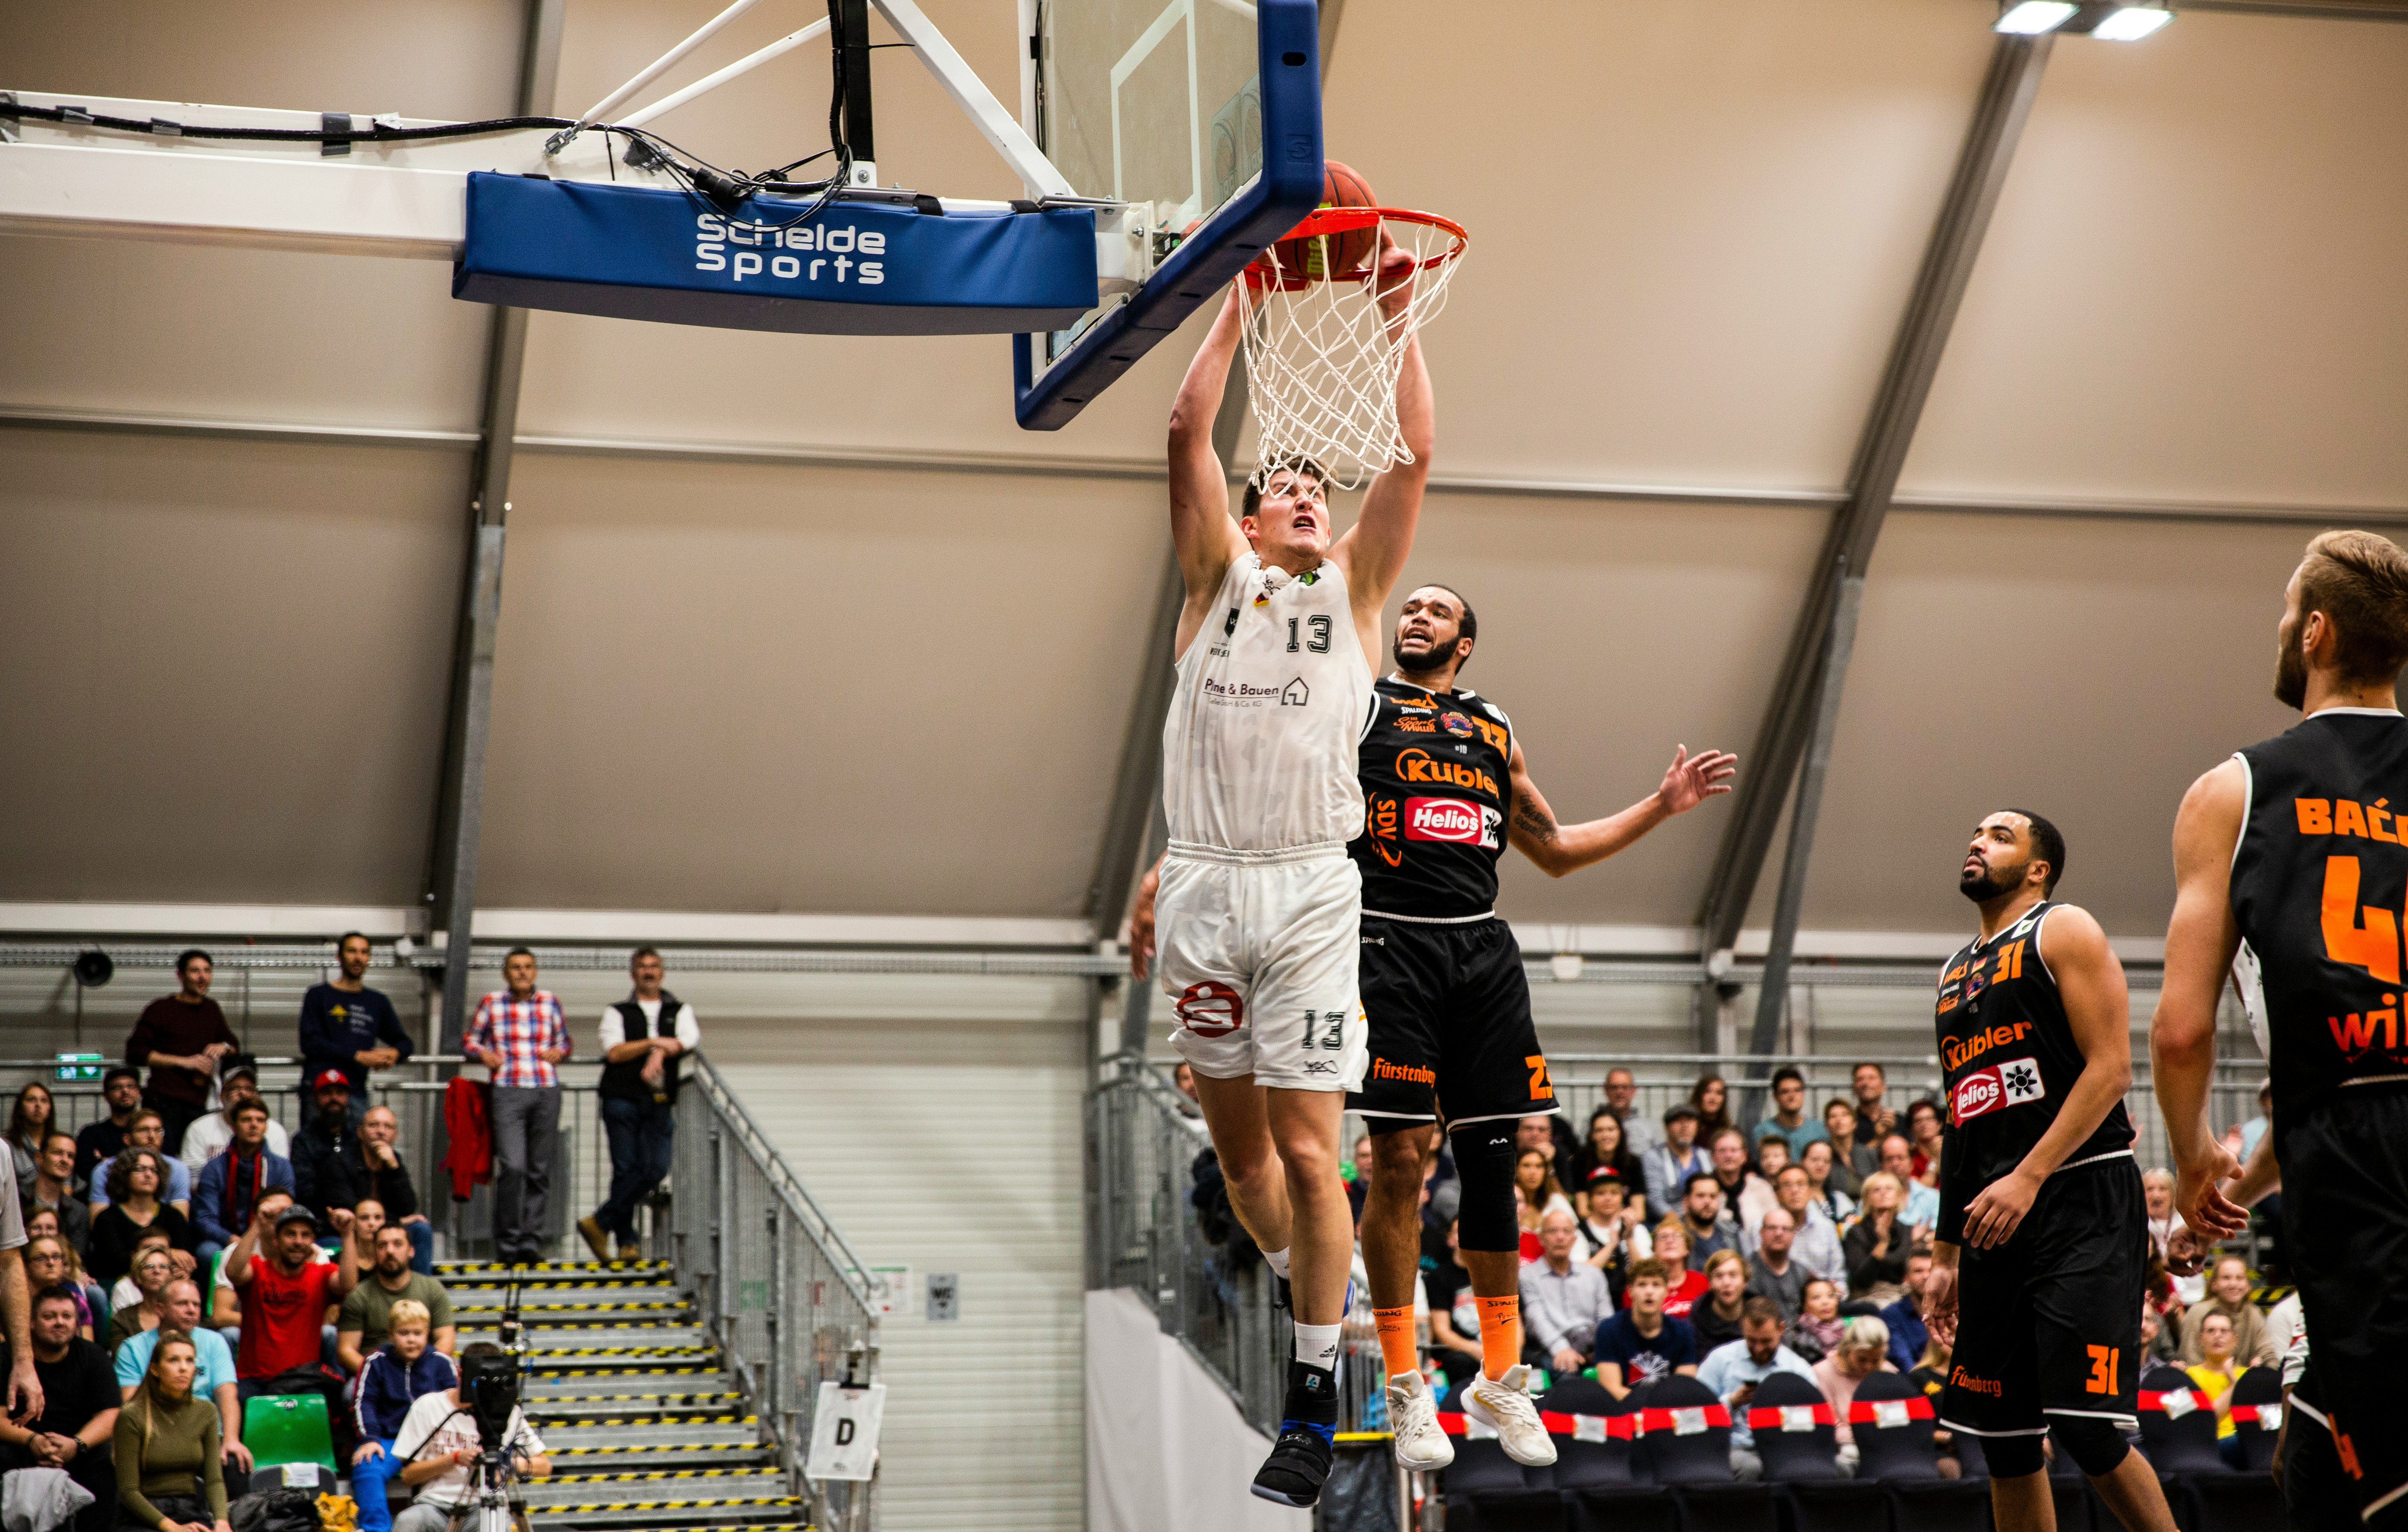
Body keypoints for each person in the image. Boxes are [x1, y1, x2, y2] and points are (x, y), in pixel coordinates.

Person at [1137, 240, 1438, 1510]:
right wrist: (1239, 300)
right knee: (1251, 1171)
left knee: (1319, 1164)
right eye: (1288, 484)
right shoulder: (1217, 582)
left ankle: (1313, 1397)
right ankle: (1299, 1274)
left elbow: (1415, 456)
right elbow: (1184, 423)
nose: (1311, 492)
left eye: (1322, 483)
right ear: (1251, 515)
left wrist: (1390, 314)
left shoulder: (1360, 591)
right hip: (1206, 890)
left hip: (1316, 889)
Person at [2152, 538, 2408, 1529]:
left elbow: (2179, 1033)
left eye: (2282, 609)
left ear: (2314, 631)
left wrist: (2187, 1161)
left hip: (2351, 1147)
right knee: (2309, 1453)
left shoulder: (2235, 789)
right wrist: (2237, 1184)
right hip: (2332, 1124)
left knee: (2375, 1463)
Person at [1920, 811, 2177, 1532]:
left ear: (2038, 868)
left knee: (2087, 1428)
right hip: (1995, 1215)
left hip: (2080, 1195)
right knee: (2004, 1444)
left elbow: (2112, 1070)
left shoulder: (2062, 928)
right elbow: (1962, 1118)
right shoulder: (1952, 971)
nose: (1976, 841)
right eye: (1972, 832)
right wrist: (1944, 1255)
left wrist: (2029, 1175)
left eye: (1999, 835)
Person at [581, 947, 699, 1263]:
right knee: (625, 1169)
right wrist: (654, 1043)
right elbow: (615, 1053)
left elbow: (687, 1040)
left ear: (662, 973)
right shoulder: (617, 1011)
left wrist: (660, 1052)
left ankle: (600, 1221)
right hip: (621, 1098)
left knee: (656, 1168)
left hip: (659, 1101)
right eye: (642, 967)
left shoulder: (680, 1010)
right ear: (633, 975)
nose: (649, 972)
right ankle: (627, 1243)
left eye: (654, 966)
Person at [225, 1204, 358, 1456]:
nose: (298, 1241)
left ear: (313, 1242)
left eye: (305, 1235)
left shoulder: (321, 1274)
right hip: (254, 1380)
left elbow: (349, 1283)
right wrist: (257, 1225)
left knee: (317, 1415)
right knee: (234, 1407)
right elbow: (233, 1271)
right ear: (275, 1240)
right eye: (290, 1234)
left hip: (303, 1380)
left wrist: (348, 1234)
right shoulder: (257, 1269)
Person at [465, 948, 570, 1267]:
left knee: (540, 1171)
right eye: (515, 968)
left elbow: (564, 1041)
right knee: (512, 1167)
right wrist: (482, 1054)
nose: (522, 973)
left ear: (535, 972)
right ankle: (507, 1242)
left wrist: (560, 1052)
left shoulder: (551, 1001)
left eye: (527, 967)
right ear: (506, 974)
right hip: (508, 1089)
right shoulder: (492, 1002)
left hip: (545, 1089)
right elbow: (470, 1041)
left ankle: (530, 1242)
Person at [388, 1342, 550, 1532]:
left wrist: (504, 1465)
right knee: (409, 1521)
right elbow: (408, 1477)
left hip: (483, 1506)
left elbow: (544, 1466)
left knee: (499, 1527)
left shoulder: (508, 1412)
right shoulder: (428, 1406)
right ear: (459, 1373)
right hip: (435, 1505)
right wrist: (454, 1459)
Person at [0, 1284, 119, 1532]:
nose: (60, 1322)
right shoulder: (7, 1356)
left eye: (67, 1317)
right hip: (21, 1445)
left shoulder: (94, 1356)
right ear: (31, 1323)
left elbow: (110, 1415)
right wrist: (32, 1441)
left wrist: (77, 1444)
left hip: (76, 1447)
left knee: (105, 1458)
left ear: (77, 1323)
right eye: (49, 1316)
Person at [113, 1283, 245, 1480]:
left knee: (234, 1463)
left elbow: (227, 1396)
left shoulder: (215, 1342)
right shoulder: (133, 1348)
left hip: (204, 1434)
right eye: (183, 1304)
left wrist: (231, 1438)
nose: (191, 1310)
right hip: (155, 1434)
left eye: (196, 1305)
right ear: (160, 1309)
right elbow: (131, 1403)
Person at [349, 1299, 456, 1532]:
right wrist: (369, 1439)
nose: (411, 1339)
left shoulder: (441, 1362)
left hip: (432, 1442)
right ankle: (376, 1529)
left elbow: (456, 1404)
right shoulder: (375, 1362)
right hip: (390, 1440)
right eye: (403, 1333)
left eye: (418, 1333)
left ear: (427, 1334)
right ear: (390, 1334)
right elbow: (364, 1402)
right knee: (368, 1467)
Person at [111, 1332, 229, 1532]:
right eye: (174, 1360)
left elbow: (214, 1480)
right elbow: (129, 1492)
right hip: (144, 1516)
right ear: (155, 1370)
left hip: (190, 1509)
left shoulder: (206, 1411)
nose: (183, 1368)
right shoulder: (132, 1415)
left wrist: (222, 1522)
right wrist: (173, 1528)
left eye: (190, 1361)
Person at [125, 953, 238, 1154]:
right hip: (164, 1102)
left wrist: (225, 1047)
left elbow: (234, 1044)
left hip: (198, 1103)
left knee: (194, 1162)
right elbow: (135, 1052)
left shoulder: (211, 1009)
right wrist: (185, 1062)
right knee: (162, 1161)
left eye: (207, 970)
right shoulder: (161, 1009)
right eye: (195, 971)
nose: (202, 977)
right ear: (180, 975)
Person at [297, 933, 412, 1128]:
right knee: (315, 1151)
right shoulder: (318, 995)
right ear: (339, 956)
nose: (358, 957)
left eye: (364, 952)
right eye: (352, 951)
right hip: (320, 1092)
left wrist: (394, 1053)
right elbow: (310, 1042)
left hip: (356, 1092)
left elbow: (405, 1042)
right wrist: (358, 1056)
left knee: (358, 1154)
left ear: (369, 959)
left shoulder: (377, 1002)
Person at [1696, 1297, 1817, 1480]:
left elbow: (1815, 1417)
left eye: (1766, 1341)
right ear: (1742, 1329)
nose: (1759, 1349)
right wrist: (1732, 1401)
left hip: (1784, 1445)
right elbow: (1696, 1413)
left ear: (1781, 1330)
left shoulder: (1797, 1368)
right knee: (1750, 1468)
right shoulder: (1720, 1360)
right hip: (1734, 1445)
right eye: (1752, 1341)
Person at [318, 1107, 432, 1275]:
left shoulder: (393, 1160)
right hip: (346, 1233)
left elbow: (408, 1207)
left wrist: (395, 1168)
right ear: (360, 1132)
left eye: (388, 1127)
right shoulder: (339, 1162)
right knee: (331, 1244)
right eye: (374, 1126)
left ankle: (419, 1295)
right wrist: (398, 1221)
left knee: (421, 1230)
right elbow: (355, 1211)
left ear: (395, 1135)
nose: (381, 1132)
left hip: (383, 1230)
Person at [336, 1225, 455, 1373]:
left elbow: (446, 1339)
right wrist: (379, 1374)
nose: (390, 1251)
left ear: (411, 1251)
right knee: (349, 1393)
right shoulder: (359, 1295)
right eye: (382, 1245)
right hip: (375, 1375)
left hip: (424, 1371)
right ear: (375, 1252)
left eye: (398, 1244)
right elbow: (345, 1351)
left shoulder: (433, 1289)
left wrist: (426, 1370)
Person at [188, 1104, 291, 1262]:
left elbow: (285, 1211)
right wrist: (232, 1240)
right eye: (246, 1120)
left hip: (268, 1237)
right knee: (207, 1252)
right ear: (234, 1127)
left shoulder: (281, 1167)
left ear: (265, 1127)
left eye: (260, 1120)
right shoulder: (215, 1168)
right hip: (226, 1239)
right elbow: (205, 1219)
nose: (254, 1125)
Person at [1520, 1210, 1613, 1374]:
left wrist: (1602, 1347)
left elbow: (1606, 1319)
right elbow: (1536, 1319)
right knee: (1564, 1372)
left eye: (1567, 1231)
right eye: (1553, 1231)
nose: (1560, 1237)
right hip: (1549, 1349)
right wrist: (1561, 1348)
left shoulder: (1594, 1275)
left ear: (1575, 1239)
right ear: (1541, 1239)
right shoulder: (1527, 1276)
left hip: (1592, 1345)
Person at [1593, 1259, 1697, 1399]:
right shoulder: (1609, 1330)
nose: (1649, 1292)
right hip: (1624, 1412)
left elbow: (1684, 1388)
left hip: (1669, 1412)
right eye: (1642, 1285)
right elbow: (1612, 1389)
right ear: (1630, 1292)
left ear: (1667, 1291)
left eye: (1656, 1285)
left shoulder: (1683, 1331)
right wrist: (1652, 1407)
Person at [86, 1154, 196, 1285]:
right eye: (140, 1169)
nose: (148, 1175)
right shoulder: (107, 1218)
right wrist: (168, 1252)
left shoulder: (173, 1216)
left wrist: (182, 1269)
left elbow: (185, 1257)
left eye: (154, 1170)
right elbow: (116, 1261)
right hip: (119, 1284)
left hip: (165, 1283)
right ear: (124, 1175)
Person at [175, 1068, 288, 1177]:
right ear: (221, 1096)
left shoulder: (275, 1130)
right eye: (234, 1088)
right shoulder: (199, 1128)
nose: (243, 1093)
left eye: (249, 1089)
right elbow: (193, 1179)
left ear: (256, 1096)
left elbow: (278, 1176)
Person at [1811, 1315, 1897, 1454]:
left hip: (1887, 1444)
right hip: (1842, 1447)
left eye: (1875, 1361)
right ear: (1848, 1349)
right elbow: (1826, 1428)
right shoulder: (1822, 1373)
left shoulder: (1889, 1372)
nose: (1868, 1367)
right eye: (1862, 1359)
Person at [2176, 1254, 2275, 1367]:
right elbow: (2191, 1360)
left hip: (2242, 1381)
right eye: (2226, 1278)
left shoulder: (2254, 1313)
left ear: (2248, 1285)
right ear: (2214, 1285)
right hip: (2203, 1382)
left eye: (2240, 1278)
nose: (2234, 1284)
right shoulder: (2198, 1313)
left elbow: (2269, 1356)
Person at [288, 1070, 360, 1229]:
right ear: (315, 1098)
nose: (334, 1099)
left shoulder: (358, 1137)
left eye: (340, 1093)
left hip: (361, 1218)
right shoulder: (303, 1140)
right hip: (322, 1222)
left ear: (347, 1098)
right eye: (327, 1093)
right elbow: (305, 1190)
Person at [1759, 1164, 1846, 1286]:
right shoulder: (1762, 1228)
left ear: (1811, 1192)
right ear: (1777, 1195)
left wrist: (1834, 1293)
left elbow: (1839, 1277)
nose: (1795, 1191)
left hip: (1822, 1297)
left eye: (1801, 1185)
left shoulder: (1827, 1227)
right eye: (1787, 1185)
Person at [90, 1116, 191, 1217]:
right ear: (127, 1139)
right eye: (144, 1130)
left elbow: (180, 1222)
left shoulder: (178, 1169)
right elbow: (98, 1222)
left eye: (158, 1130)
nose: (152, 1136)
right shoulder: (105, 1169)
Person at [2183, 1311, 2246, 1465]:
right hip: (2208, 1445)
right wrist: (2234, 1384)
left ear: (2235, 1340)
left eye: (2224, 1331)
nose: (2218, 1336)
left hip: (2248, 1443)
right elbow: (2204, 1423)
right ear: (2200, 1340)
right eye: (2211, 1331)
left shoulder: (2248, 1375)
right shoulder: (2188, 1376)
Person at [1843, 1172, 1913, 1300]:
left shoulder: (1906, 1229)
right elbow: (1862, 1280)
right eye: (1877, 1190)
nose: (1883, 1193)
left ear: (1899, 1196)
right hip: (1869, 1295)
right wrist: (1883, 1243)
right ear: (1867, 1199)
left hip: (1902, 1292)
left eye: (1889, 1189)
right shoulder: (1857, 1232)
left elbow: (1902, 1271)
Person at [1567, 1108, 1646, 1220]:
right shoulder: (1580, 1161)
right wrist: (1605, 1222)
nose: (1606, 1135)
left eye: (1611, 1130)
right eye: (1600, 1131)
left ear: (1620, 1133)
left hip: (1624, 1222)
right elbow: (1583, 1211)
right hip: (1590, 1225)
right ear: (1592, 1135)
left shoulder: (1633, 1163)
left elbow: (1640, 1213)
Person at [76, 1071, 143, 1195]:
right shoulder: (91, 1134)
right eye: (117, 1087)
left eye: (131, 1086)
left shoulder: (155, 1130)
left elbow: (164, 1167)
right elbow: (86, 1171)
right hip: (103, 1195)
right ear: (106, 1096)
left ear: (139, 1092)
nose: (125, 1091)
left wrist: (106, 1161)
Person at [28, 1133, 93, 1256]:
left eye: (71, 1156)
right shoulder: (17, 1200)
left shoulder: (79, 1212)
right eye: (58, 1153)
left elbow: (75, 1259)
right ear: (39, 1158)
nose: (65, 1160)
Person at [103, 1250, 175, 1356]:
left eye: (163, 1267)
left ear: (171, 1276)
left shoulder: (179, 1314)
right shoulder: (123, 1318)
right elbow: (122, 1358)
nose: (156, 1271)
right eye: (149, 1266)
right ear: (138, 1276)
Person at [26, 1238, 98, 1343]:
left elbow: (86, 1349)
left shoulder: (76, 1301)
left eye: (56, 1257)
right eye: (41, 1258)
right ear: (27, 1265)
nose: (51, 1263)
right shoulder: (12, 1304)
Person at [1640, 1103, 1709, 1214]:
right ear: (1667, 1128)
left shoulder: (1706, 1156)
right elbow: (1655, 1198)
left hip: (1704, 1219)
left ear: (1697, 1127)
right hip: (1669, 1222)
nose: (1685, 1126)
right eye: (1678, 1121)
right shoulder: (1654, 1157)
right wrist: (1675, 1220)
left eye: (1690, 1121)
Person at [1749, 1068, 1829, 1161]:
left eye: (1797, 1090)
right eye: (1785, 1092)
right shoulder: (1763, 1132)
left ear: (1803, 1094)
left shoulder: (1820, 1131)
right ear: (1775, 1097)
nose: (1792, 1096)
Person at [1745, 1206, 1807, 1323]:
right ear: (1761, 1232)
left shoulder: (1802, 1273)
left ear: (1794, 1234)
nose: (1779, 1233)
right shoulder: (1745, 1271)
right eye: (1772, 1228)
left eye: (1786, 1229)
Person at [1879, 1249, 1933, 1372]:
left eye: (1931, 1271)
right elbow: (1904, 1362)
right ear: (1906, 1278)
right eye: (1918, 1271)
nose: (1926, 1276)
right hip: (1914, 1382)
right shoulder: (1891, 1315)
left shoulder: (1953, 1312)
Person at [1640, 1223, 1709, 1317]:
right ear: (1654, 1250)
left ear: (1687, 1249)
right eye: (1663, 1237)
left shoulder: (1702, 1282)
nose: (1670, 1241)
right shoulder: (1642, 1285)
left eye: (1677, 1236)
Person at [1676, 1172, 1741, 1270]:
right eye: (1701, 1196)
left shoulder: (1732, 1232)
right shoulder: (1674, 1235)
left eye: (1713, 1196)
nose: (1707, 1202)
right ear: (1686, 1201)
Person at [1877, 1133, 1942, 1230]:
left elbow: (1937, 1236)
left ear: (1912, 1163)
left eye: (1901, 1158)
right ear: (1881, 1165)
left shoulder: (1932, 1198)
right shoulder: (1872, 1200)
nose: (1895, 1164)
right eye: (1889, 1159)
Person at [1691, 1250, 1751, 1353]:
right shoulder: (1695, 1321)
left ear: (1745, 1281)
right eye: (1719, 1276)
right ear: (1710, 1283)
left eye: (1733, 1275)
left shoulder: (1761, 1313)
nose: (1726, 1283)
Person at [7, 1084, 59, 1190]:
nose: (38, 1105)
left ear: (50, 1109)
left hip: (53, 1203)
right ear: (20, 1108)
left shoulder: (59, 1143)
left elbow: (67, 1185)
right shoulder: (6, 1144)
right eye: (31, 1100)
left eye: (44, 1101)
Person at [1601, 1069, 1662, 1155]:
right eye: (1614, 1087)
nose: (1619, 1092)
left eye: (1625, 1088)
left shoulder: (1649, 1128)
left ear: (1634, 1091)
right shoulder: (1592, 1125)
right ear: (1606, 1090)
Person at [1785, 1277, 1845, 1365]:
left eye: (1831, 1296)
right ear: (1804, 1305)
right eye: (1816, 1297)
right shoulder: (1797, 1335)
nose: (1825, 1302)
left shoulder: (1845, 1331)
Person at [1816, 1104, 1871, 1201]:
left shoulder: (1868, 1154)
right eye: (1833, 1116)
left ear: (1855, 1124)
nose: (1839, 1120)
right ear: (1826, 1126)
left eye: (1845, 1115)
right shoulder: (1821, 1155)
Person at [1798, 1140, 1855, 1228]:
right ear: (1802, 1162)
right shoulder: (1796, 1197)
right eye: (1815, 1160)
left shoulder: (1838, 1198)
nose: (1821, 1165)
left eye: (1826, 1161)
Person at [1850, 1063, 1896, 1147]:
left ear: (1883, 1087)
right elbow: (1853, 1159)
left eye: (1872, 1078)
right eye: (1860, 1079)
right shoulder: (1849, 1123)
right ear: (1854, 1089)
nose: (1866, 1083)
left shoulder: (1899, 1121)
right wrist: (1878, 1139)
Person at [1904, 1100, 1944, 1188]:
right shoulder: (1908, 1157)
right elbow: (1919, 1191)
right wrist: (1934, 1161)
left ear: (1940, 1124)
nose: (1924, 1124)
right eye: (1918, 1121)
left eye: (1929, 1119)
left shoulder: (1953, 1151)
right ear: (1911, 1129)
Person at [1689, 1075, 1733, 1143]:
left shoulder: (1731, 1133)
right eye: (1708, 1092)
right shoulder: (1688, 1131)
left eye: (1719, 1093)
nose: (1713, 1098)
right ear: (1699, 1096)